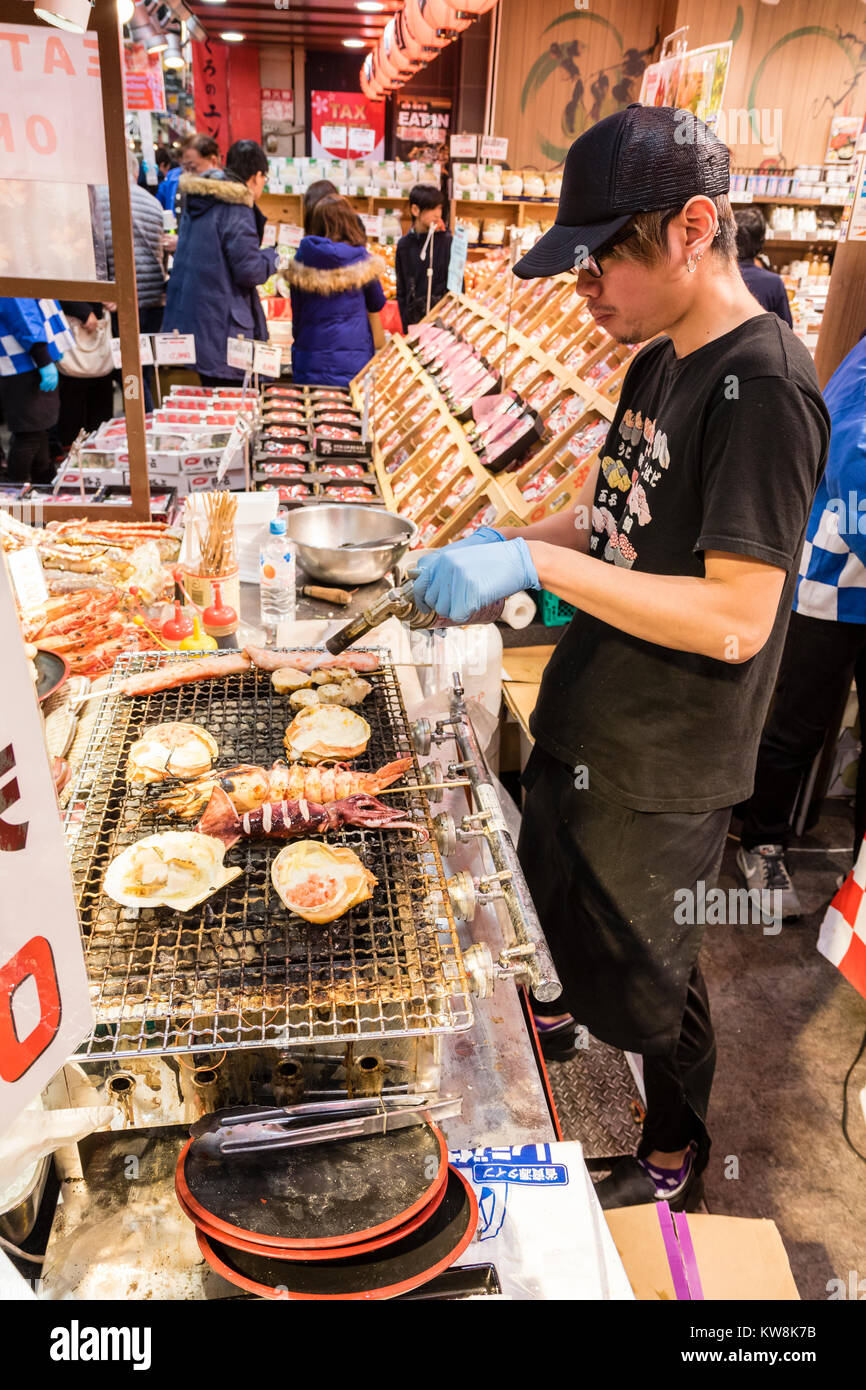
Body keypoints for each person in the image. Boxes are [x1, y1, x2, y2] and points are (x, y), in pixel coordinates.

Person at [411, 105, 830, 1212]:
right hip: (594, 712)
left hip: (669, 754)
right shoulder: (658, 363)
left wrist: (537, 576)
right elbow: (606, 514)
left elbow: (737, 614)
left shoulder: (766, 391)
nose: (582, 285)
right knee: (557, 882)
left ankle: (675, 1127)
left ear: (692, 227)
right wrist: (507, 544)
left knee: (656, 972)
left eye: (602, 256)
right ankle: (566, 998)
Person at [736, 335, 866, 917]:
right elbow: (847, 460)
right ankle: (762, 843)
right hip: (834, 577)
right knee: (798, 723)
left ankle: (861, 878)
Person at [163, 139, 278, 388]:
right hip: (223, 331)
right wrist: (273, 257)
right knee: (230, 406)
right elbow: (249, 271)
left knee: (213, 400)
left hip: (199, 324)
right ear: (256, 176)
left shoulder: (203, 200)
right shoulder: (236, 207)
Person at [283, 194, 385, 387]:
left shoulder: (302, 258)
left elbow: (297, 315)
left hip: (310, 361)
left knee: (313, 413)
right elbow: (377, 302)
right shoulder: (362, 259)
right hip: (353, 365)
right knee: (348, 415)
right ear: (349, 222)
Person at [95, 153, 166, 410]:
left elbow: (96, 251)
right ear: (135, 173)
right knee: (143, 369)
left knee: (127, 372)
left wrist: (104, 290)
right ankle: (144, 426)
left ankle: (140, 429)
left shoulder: (99, 197)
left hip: (122, 300)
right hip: (154, 298)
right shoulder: (153, 202)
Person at [0, 298, 72, 484]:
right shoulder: (10, 272)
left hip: (27, 359)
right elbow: (20, 314)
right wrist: (43, 357)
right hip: (22, 362)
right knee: (29, 433)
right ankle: (13, 491)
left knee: (39, 429)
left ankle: (43, 480)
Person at [55, 301, 114, 451]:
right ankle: (73, 455)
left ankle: (99, 447)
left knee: (100, 407)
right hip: (76, 322)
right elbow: (58, 286)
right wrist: (84, 311)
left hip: (100, 322)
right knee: (74, 406)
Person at [395, 183, 452, 330]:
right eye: (431, 208)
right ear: (415, 210)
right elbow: (402, 289)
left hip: (443, 322)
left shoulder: (446, 241)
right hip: (414, 322)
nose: (437, 213)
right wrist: (406, 325)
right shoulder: (404, 245)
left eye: (439, 207)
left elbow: (457, 285)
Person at [735, 207, 793, 326]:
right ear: (761, 242)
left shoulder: (714, 278)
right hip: (763, 344)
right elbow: (786, 330)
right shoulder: (774, 283)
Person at [159, 134, 221, 215]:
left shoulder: (230, 198)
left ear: (213, 161)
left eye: (193, 168)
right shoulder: (173, 179)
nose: (188, 174)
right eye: (185, 168)